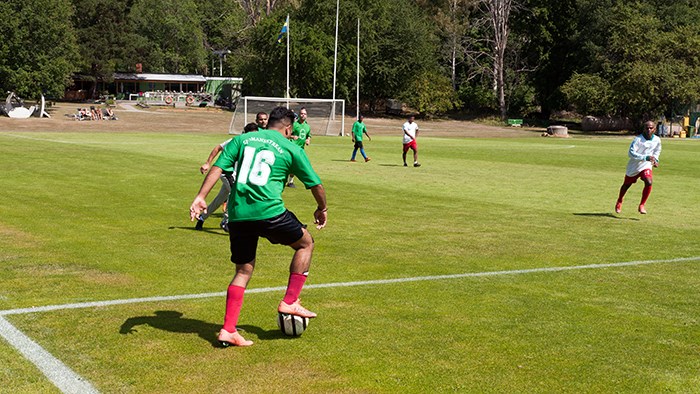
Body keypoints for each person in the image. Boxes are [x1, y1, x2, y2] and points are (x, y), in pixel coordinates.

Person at [189, 106, 327, 347]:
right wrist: (321, 208)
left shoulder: (242, 139)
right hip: (270, 212)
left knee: (243, 270)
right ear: (287, 127)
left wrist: (201, 196)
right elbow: (315, 184)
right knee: (305, 243)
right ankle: (290, 301)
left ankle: (228, 330)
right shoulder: (290, 148)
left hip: (239, 215)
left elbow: (218, 167)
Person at [195, 122, 259, 231]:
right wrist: (207, 163)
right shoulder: (236, 140)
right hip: (227, 173)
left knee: (220, 199)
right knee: (236, 194)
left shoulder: (256, 143)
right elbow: (217, 148)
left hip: (237, 176)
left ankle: (202, 218)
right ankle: (226, 221)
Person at [615, 121, 661, 214]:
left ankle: (642, 205)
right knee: (626, 185)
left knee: (649, 182)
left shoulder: (657, 140)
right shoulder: (638, 140)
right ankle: (619, 200)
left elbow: (657, 151)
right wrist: (645, 157)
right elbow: (631, 153)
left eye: (651, 128)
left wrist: (655, 160)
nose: (649, 130)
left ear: (654, 129)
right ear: (644, 129)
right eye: (647, 128)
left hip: (646, 165)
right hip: (634, 166)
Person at [287, 107, 311, 188]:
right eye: (301, 113)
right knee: (292, 165)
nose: (303, 115)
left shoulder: (307, 126)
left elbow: (308, 136)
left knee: (296, 165)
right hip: (292, 147)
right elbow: (286, 135)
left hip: (301, 149)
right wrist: (292, 137)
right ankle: (288, 181)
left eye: (304, 114)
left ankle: (290, 181)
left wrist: (308, 140)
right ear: (299, 114)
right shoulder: (294, 125)